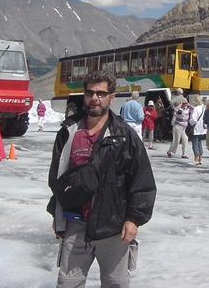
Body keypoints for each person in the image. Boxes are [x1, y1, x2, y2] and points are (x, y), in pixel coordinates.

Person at [47, 70, 156, 287]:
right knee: (68, 283)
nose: (94, 98)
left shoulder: (124, 136)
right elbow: (58, 178)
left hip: (113, 228)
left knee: (116, 283)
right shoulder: (69, 132)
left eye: (101, 93)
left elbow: (141, 181)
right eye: (89, 93)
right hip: (75, 225)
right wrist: (58, 213)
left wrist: (133, 219)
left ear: (112, 97)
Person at [189, 96, 206, 165]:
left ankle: (196, 159)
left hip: (196, 128)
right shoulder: (204, 108)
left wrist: (190, 122)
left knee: (195, 144)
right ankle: (200, 159)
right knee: (199, 143)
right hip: (202, 129)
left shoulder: (196, 109)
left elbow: (193, 119)